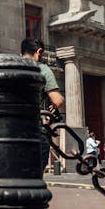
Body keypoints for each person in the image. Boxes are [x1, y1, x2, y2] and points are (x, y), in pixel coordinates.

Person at [20, 38, 65, 171]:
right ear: (39, 51)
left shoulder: (12, 66)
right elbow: (57, 100)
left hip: (12, 127)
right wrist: (56, 103)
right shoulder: (42, 69)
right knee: (34, 174)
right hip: (34, 127)